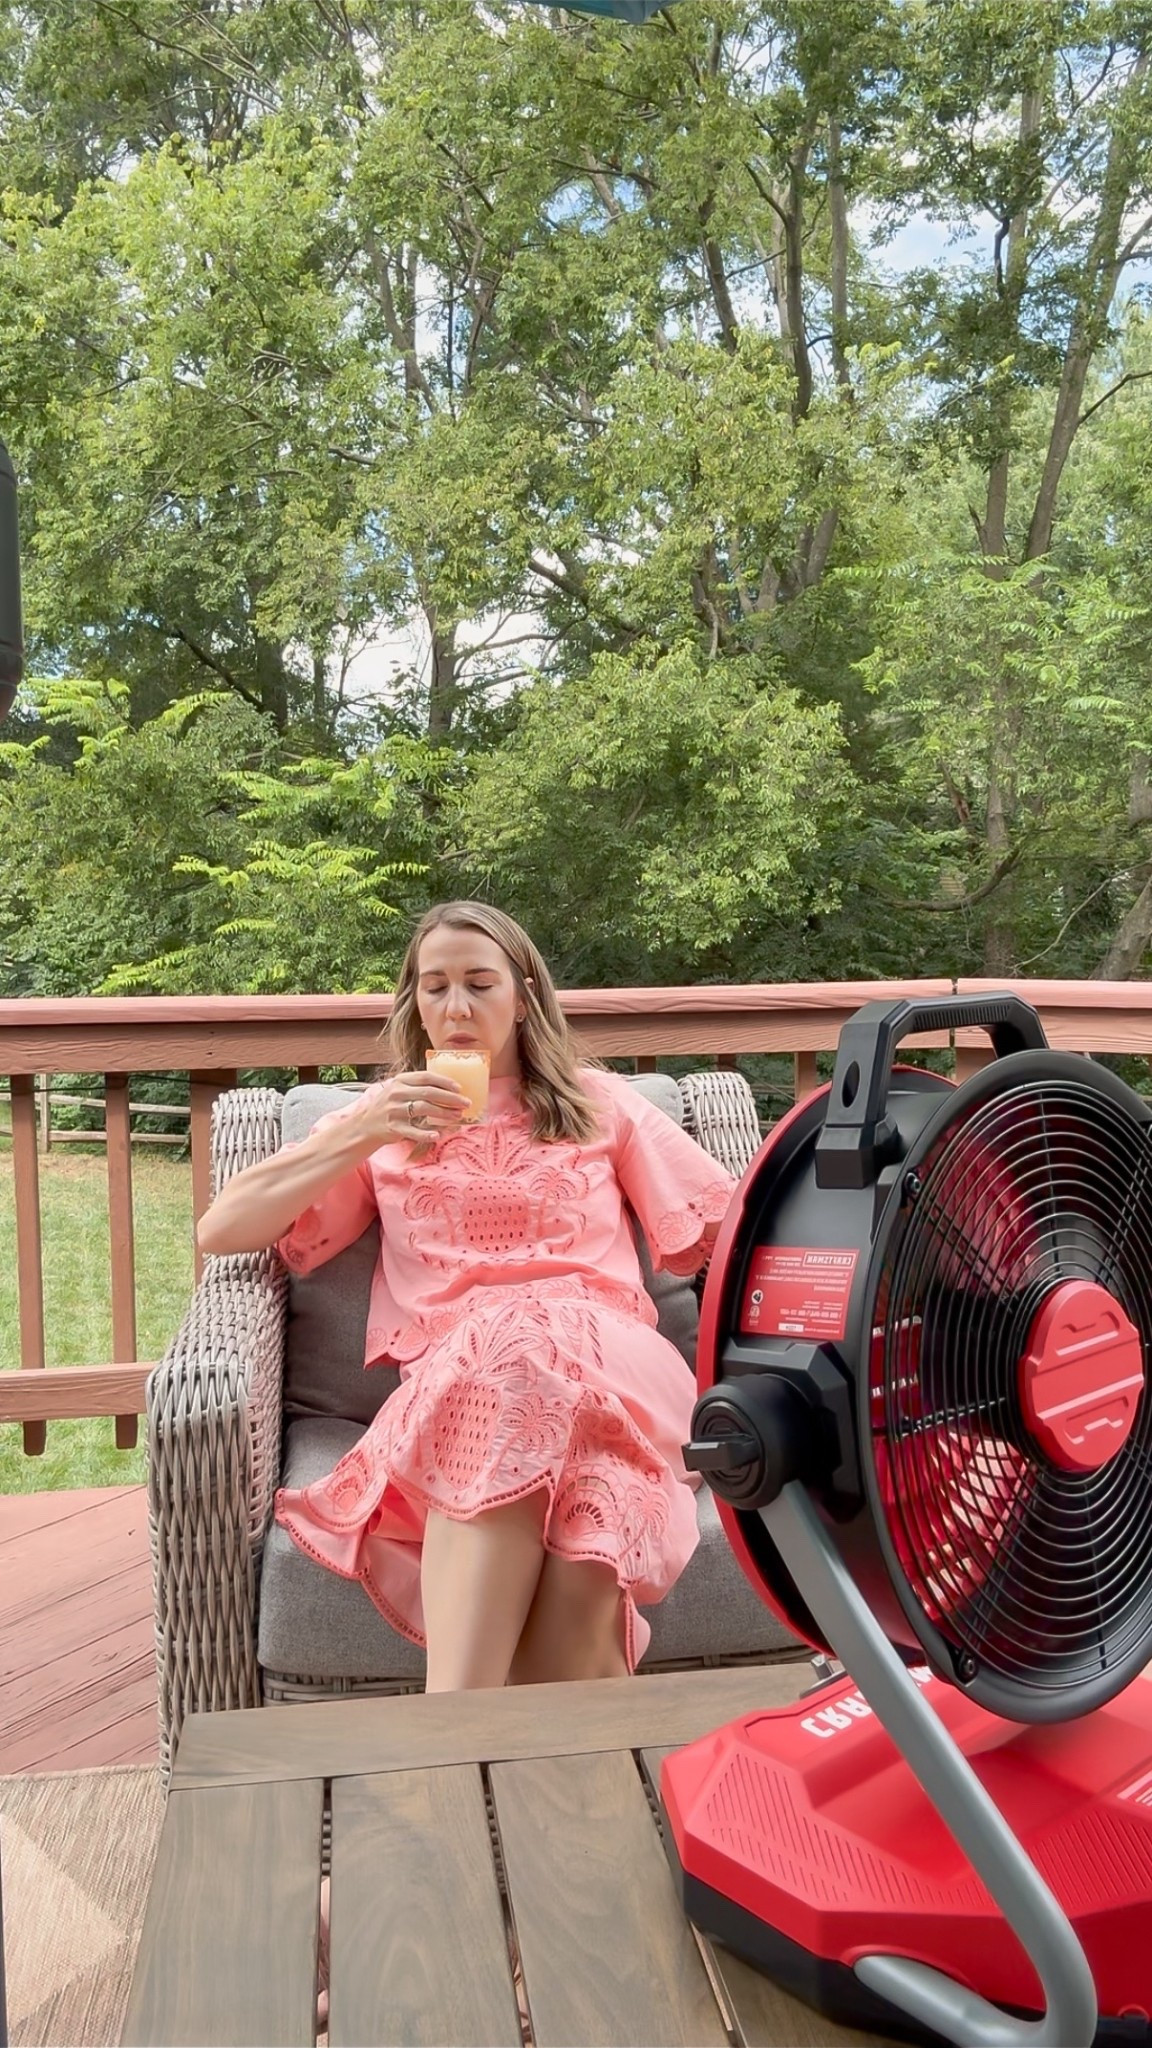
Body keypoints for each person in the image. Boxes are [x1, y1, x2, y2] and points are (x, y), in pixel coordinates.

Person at [198, 901, 736, 1693]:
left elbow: (735, 1225)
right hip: (468, 1387)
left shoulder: (600, 1102)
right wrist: (362, 1129)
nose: (456, 1008)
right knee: (590, 1532)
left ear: (523, 996)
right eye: (435, 987)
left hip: (610, 1361)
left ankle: (449, 1728)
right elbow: (222, 1228)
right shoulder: (385, 1124)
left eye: (480, 985)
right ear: (413, 1002)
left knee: (519, 1342)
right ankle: (547, 1759)